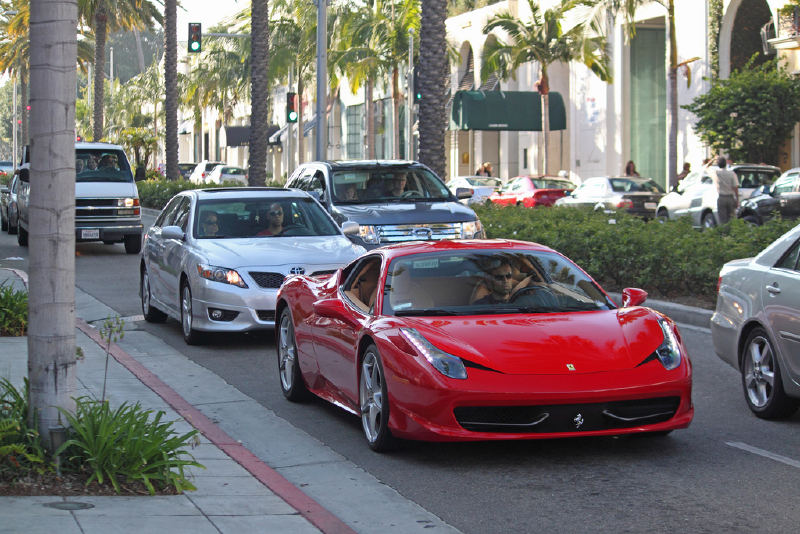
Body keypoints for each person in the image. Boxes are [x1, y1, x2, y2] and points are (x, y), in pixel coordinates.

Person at [710, 155, 738, 224]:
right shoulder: (731, 173)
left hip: (721, 197)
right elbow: (735, 187)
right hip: (730, 197)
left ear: (718, 164)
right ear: (726, 164)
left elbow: (706, 167)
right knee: (732, 219)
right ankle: (732, 233)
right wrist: (737, 199)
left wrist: (713, 159)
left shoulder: (715, 173)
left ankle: (724, 234)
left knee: (722, 220)